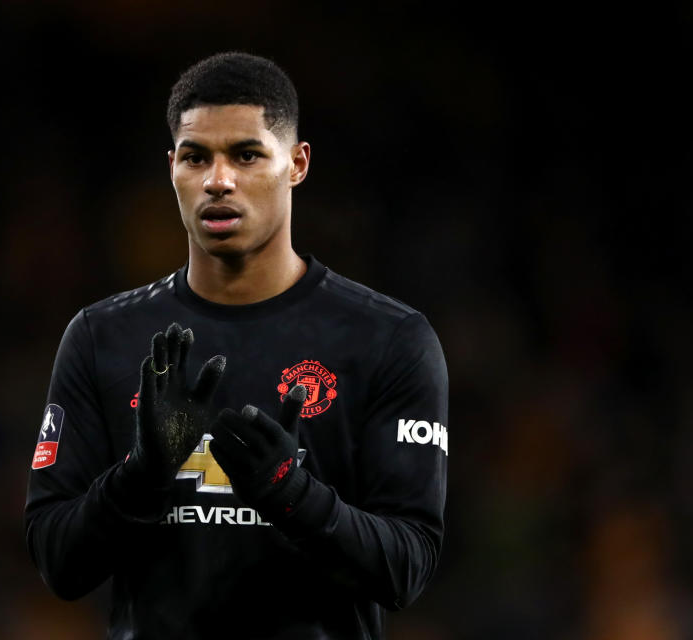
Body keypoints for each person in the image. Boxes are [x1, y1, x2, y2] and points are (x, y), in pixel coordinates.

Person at [24, 51, 449, 640]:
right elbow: (58, 563)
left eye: (247, 155)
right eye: (196, 157)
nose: (218, 180)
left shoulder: (388, 339)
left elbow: (407, 568)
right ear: (172, 167)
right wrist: (141, 477)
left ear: (297, 164)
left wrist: (288, 492)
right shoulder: (102, 337)